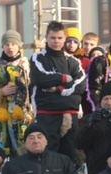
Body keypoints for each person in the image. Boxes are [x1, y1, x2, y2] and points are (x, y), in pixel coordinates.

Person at [29, 21, 86, 161]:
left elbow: (80, 85)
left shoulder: (73, 61)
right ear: (46, 37)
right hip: (46, 115)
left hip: (70, 116)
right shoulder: (38, 58)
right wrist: (65, 78)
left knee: (70, 158)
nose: (56, 41)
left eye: (60, 38)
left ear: (64, 39)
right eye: (53, 38)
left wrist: (56, 88)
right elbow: (40, 79)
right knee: (47, 157)